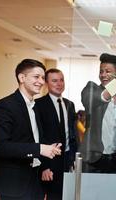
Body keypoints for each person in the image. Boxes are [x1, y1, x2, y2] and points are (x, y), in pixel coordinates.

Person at [0, 59, 62, 200]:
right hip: (14, 182)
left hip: (36, 180)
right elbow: (1, 147)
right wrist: (39, 149)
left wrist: (47, 149)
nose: (41, 81)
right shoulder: (5, 106)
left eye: (42, 78)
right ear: (22, 78)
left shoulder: (35, 106)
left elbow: (34, 137)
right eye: (36, 77)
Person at [79, 53, 116, 173]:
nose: (103, 75)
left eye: (107, 71)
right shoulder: (92, 89)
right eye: (101, 71)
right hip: (93, 159)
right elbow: (98, 98)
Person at [35, 68, 78, 200]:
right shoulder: (38, 105)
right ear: (47, 83)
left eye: (61, 80)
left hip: (67, 161)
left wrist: (74, 159)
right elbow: (38, 137)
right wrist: (44, 167)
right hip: (49, 162)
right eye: (54, 81)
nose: (59, 84)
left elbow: (72, 134)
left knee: (66, 196)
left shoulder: (70, 104)